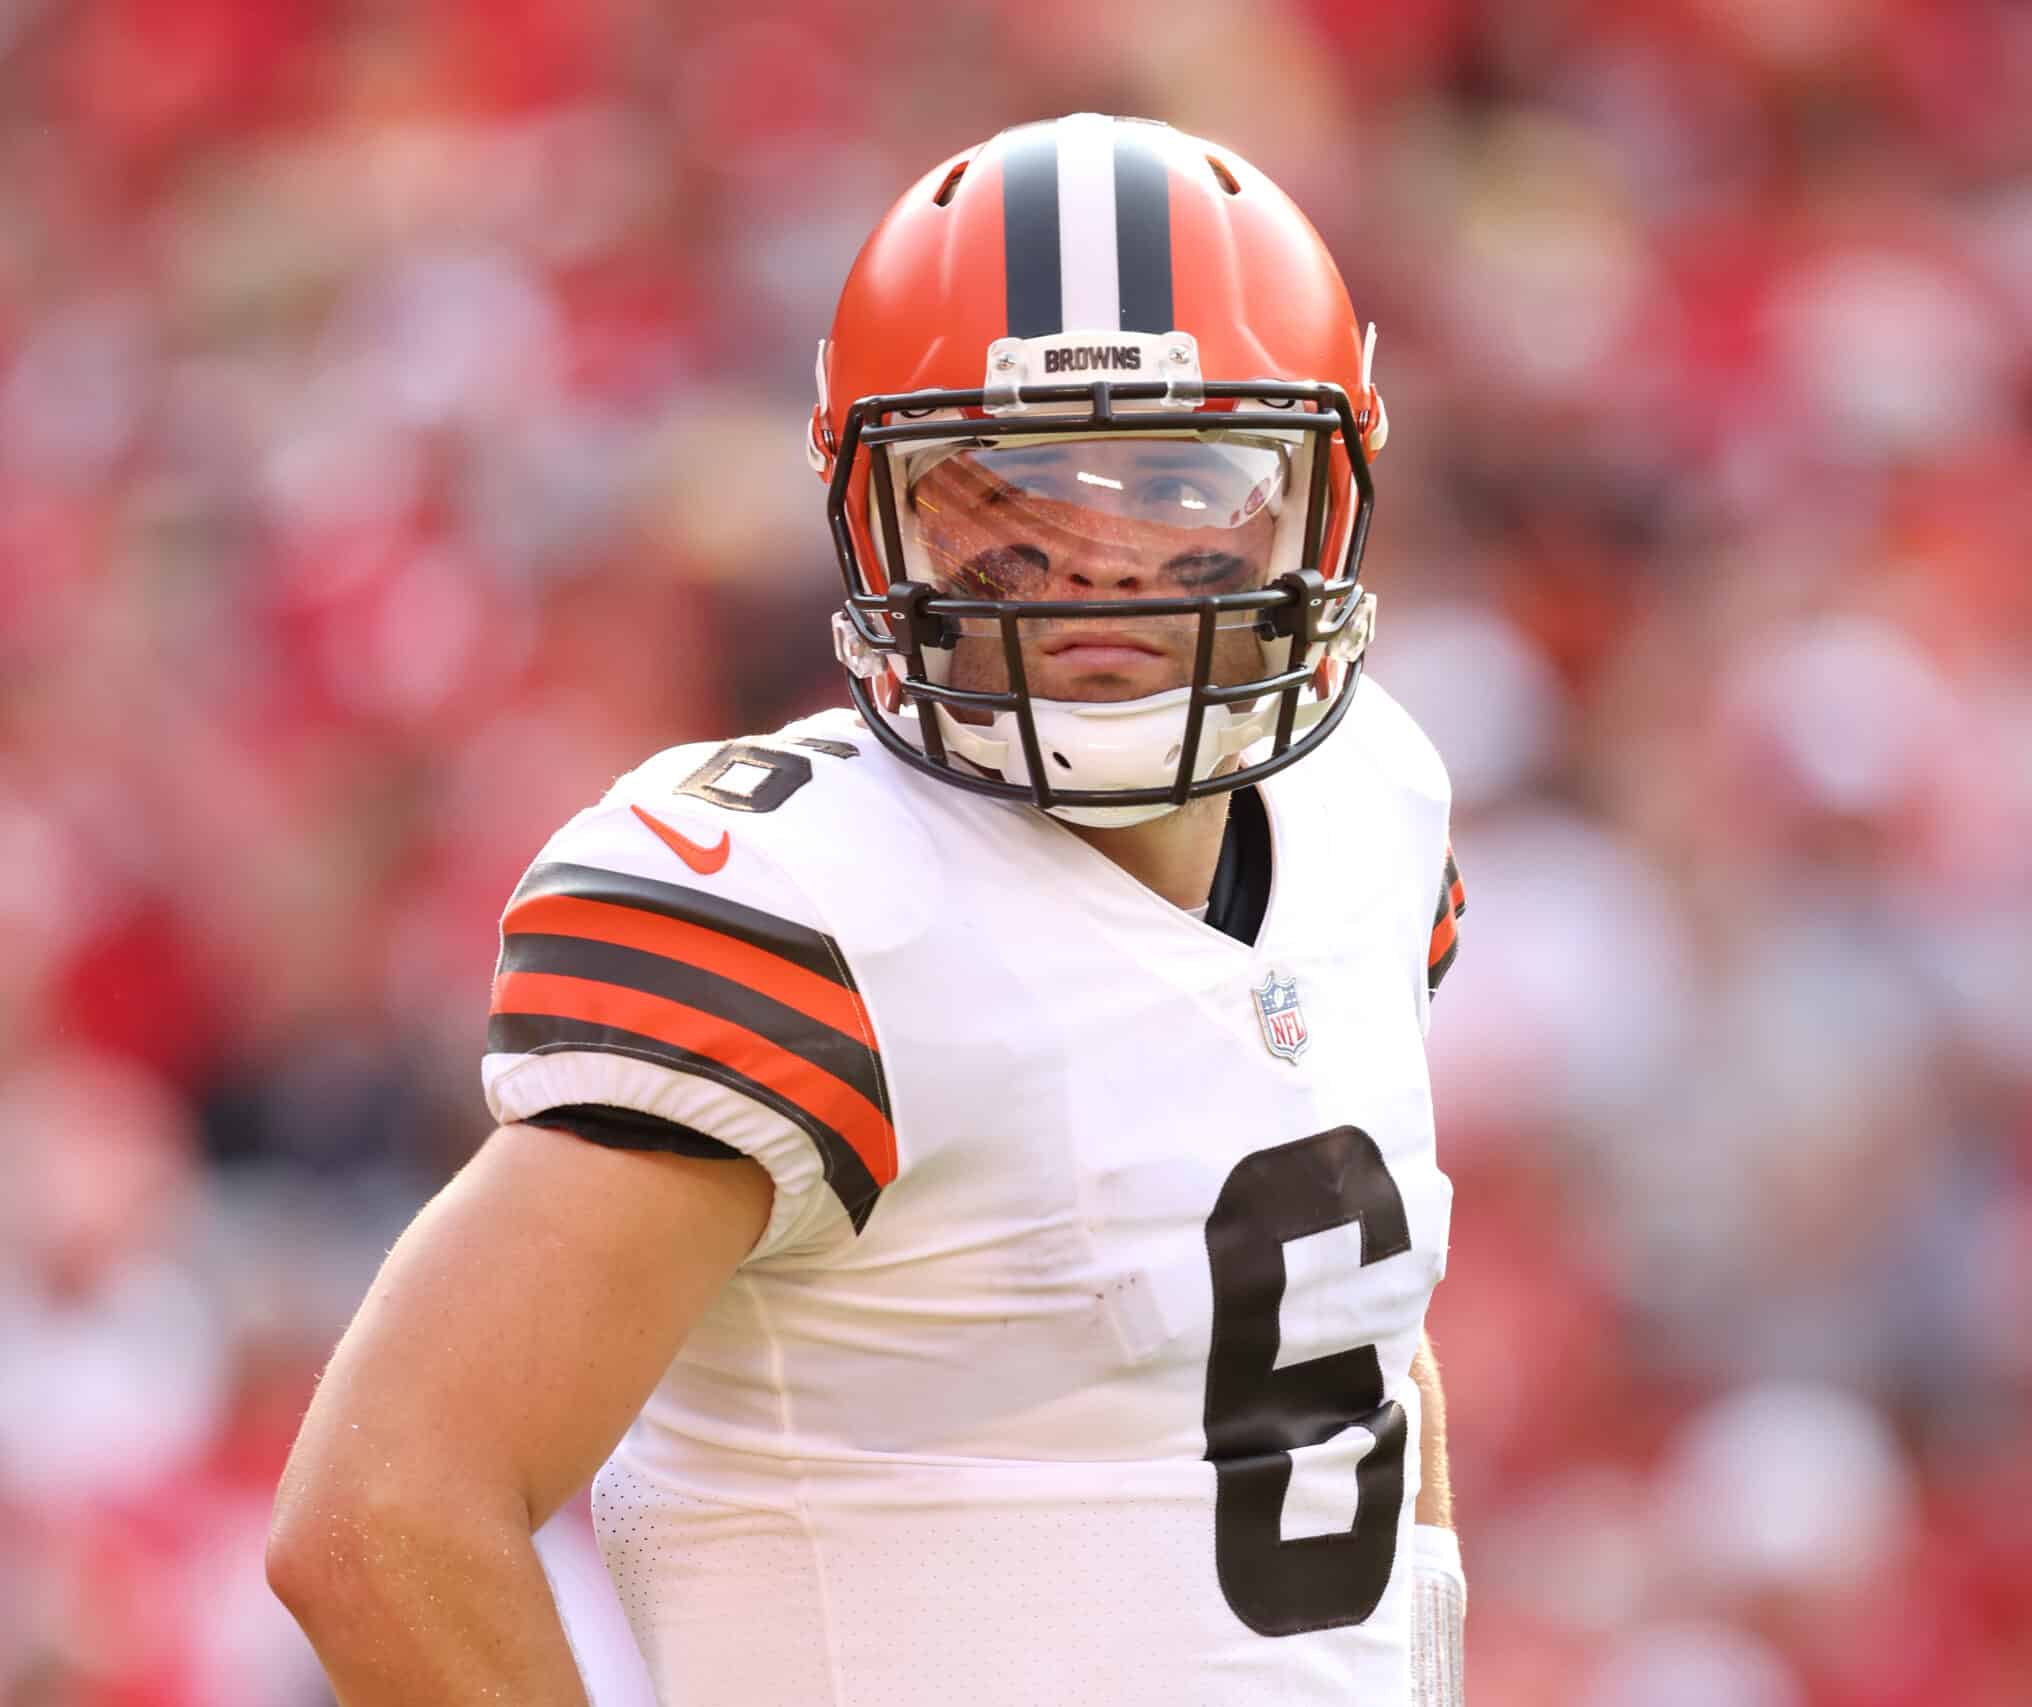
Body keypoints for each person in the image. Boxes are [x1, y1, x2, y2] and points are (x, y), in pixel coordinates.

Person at [266, 112, 1468, 1707]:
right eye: (1000, 491)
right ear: (870, 515)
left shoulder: (1364, 808)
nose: (1100, 557)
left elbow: (1347, 1351)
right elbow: (381, 1517)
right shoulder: (813, 914)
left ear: (1322, 505)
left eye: (1185, 480)